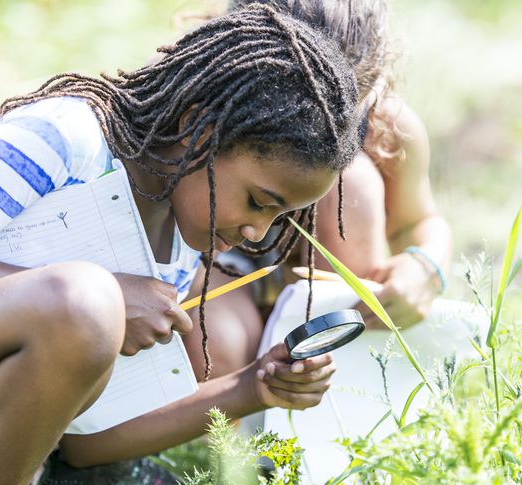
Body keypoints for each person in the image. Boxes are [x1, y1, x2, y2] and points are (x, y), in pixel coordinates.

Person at [0, 5, 361, 485]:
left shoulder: (181, 243)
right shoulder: (68, 138)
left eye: (280, 218)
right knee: (84, 301)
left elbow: (84, 442)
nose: (258, 231)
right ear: (199, 129)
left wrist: (254, 386)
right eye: (258, 201)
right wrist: (103, 298)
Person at [183, 0, 453, 381]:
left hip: (321, 277)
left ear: (370, 84)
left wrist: (425, 267)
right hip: (218, 262)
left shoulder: (385, 125)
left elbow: (420, 220)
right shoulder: (199, 92)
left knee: (353, 185)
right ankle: (233, 425)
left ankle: (341, 393)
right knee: (219, 342)